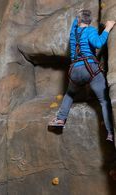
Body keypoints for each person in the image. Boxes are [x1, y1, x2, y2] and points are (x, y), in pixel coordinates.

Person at [49, 10, 116, 141]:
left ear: (79, 20)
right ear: (89, 21)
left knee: (69, 94)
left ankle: (61, 119)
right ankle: (110, 133)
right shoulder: (90, 30)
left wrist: (79, 16)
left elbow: (76, 22)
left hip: (74, 70)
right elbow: (98, 43)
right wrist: (108, 28)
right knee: (104, 101)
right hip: (90, 69)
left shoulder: (73, 33)